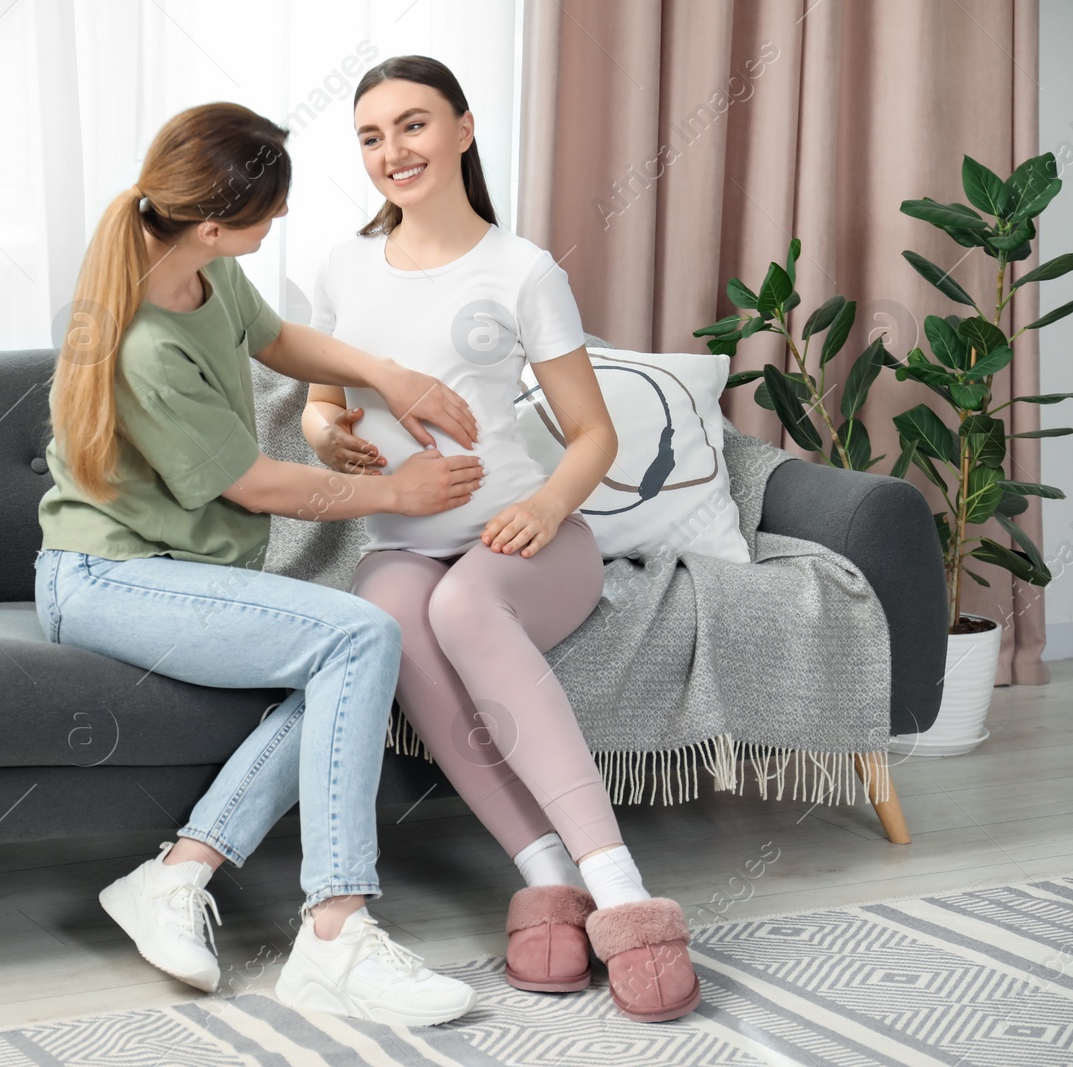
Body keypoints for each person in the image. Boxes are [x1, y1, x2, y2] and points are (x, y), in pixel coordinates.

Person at [34, 101, 487, 1027]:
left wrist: (389, 376)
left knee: (349, 655)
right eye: (265, 210)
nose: (277, 223)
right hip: (105, 578)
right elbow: (256, 486)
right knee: (363, 633)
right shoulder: (143, 345)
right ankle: (334, 933)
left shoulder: (202, 274)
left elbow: (277, 339)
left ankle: (176, 875)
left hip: (178, 570)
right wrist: (400, 494)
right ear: (210, 222)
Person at [301, 56, 701, 1023]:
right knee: (385, 613)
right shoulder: (339, 269)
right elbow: (317, 407)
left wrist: (549, 509)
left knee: (464, 601)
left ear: (465, 130)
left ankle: (623, 894)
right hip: (403, 540)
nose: (392, 151)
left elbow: (593, 434)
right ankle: (544, 876)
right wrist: (333, 438)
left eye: (413, 125)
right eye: (371, 135)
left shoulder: (522, 269)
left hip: (529, 542)